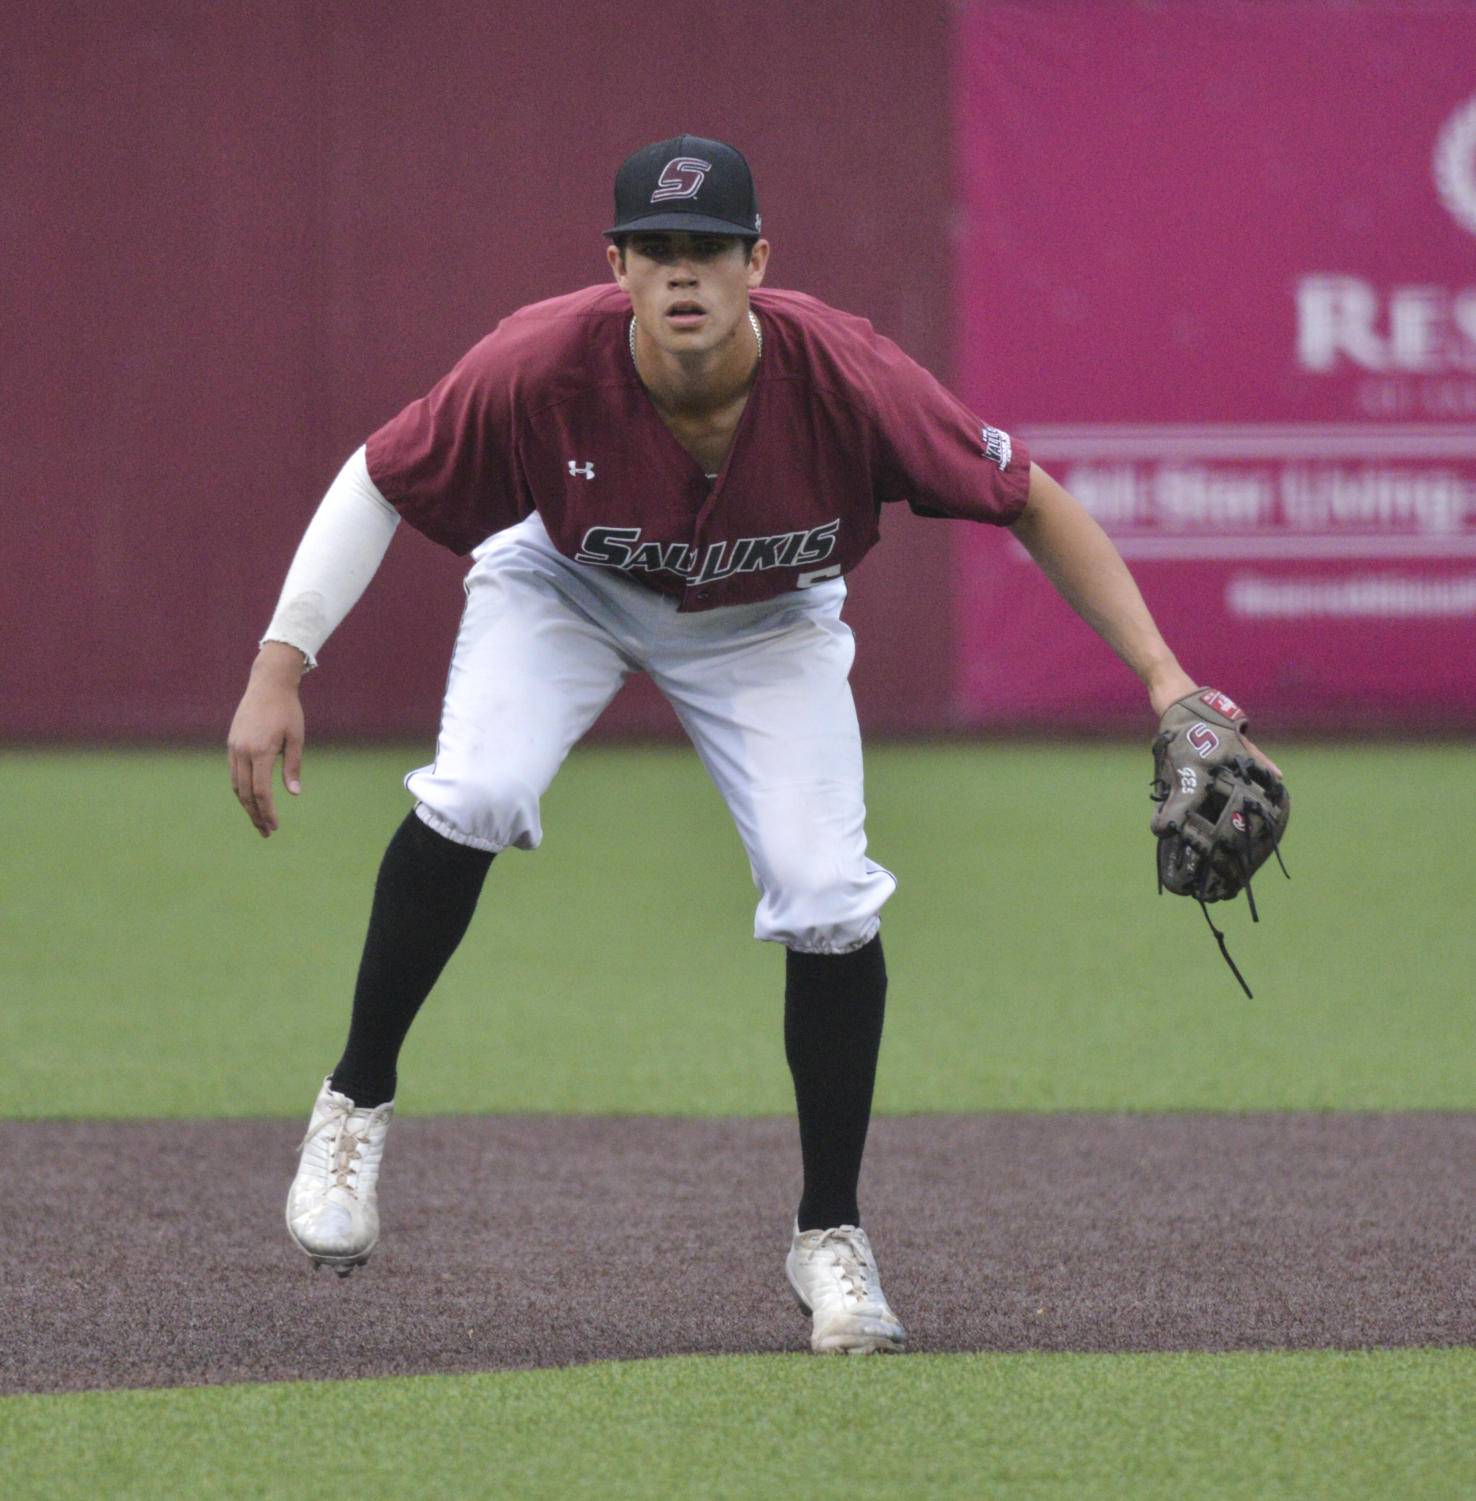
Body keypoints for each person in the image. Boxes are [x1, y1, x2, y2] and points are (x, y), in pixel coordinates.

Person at [228, 135, 1228, 1356]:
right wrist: (284, 661)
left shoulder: (851, 372)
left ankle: (830, 1239)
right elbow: (380, 476)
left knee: (825, 891)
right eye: (657, 249)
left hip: (768, 617)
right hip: (569, 582)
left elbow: (1031, 500)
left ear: (760, 261)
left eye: (709, 248)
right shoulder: (539, 360)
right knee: (480, 788)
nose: (682, 272)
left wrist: (1166, 679)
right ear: (617, 264)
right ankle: (355, 1103)